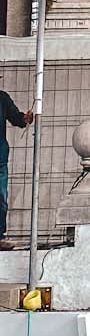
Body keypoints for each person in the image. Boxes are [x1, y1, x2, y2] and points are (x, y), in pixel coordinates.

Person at [0, 89, 33, 245]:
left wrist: (25, 119)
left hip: (0, 157)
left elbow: (16, 118)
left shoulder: (2, 98)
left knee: (1, 198)